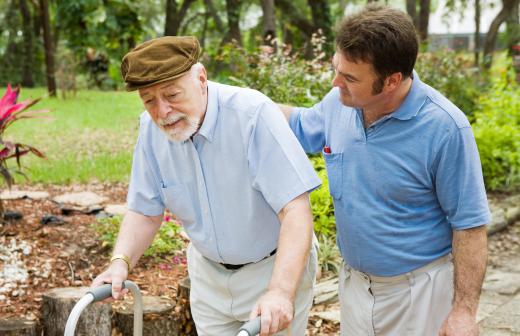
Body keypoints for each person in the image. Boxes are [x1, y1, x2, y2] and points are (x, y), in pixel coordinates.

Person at [278, 5, 490, 336]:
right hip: (355, 289)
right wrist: (236, 104)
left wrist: (463, 312)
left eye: (349, 77)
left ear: (391, 81)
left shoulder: (445, 128)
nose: (336, 83)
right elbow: (302, 126)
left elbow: (470, 226)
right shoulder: (340, 102)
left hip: (419, 294)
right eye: (337, 70)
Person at [92, 36, 321, 336]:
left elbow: (295, 211)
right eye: (149, 100)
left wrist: (279, 291)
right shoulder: (151, 130)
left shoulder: (252, 115)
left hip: (272, 268)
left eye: (172, 94)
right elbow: (145, 212)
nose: (162, 111)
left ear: (201, 78)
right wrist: (120, 262)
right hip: (208, 276)